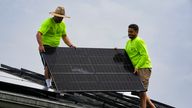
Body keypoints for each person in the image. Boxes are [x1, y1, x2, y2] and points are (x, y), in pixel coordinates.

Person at [36, 6, 76, 88]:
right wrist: (41, 45)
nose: (61, 19)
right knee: (48, 65)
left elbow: (64, 36)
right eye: (59, 17)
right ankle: (48, 84)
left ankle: (49, 82)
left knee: (52, 66)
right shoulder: (48, 22)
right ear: (55, 15)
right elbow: (38, 34)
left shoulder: (62, 25)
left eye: (62, 17)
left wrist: (71, 45)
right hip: (45, 46)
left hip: (55, 48)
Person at [125, 24, 156, 108]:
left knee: (141, 92)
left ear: (137, 32)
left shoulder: (139, 41)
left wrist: (137, 66)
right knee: (139, 93)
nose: (129, 33)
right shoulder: (128, 43)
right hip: (135, 68)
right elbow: (126, 55)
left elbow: (144, 55)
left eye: (131, 32)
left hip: (143, 67)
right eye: (128, 32)